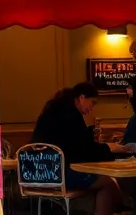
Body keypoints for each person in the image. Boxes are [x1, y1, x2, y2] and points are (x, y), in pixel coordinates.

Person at [31, 82, 122, 215]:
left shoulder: (50, 111)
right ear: (82, 97)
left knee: (110, 184)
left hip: (37, 173)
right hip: (58, 173)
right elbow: (82, 150)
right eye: (93, 102)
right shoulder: (71, 115)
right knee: (109, 183)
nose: (92, 108)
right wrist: (108, 148)